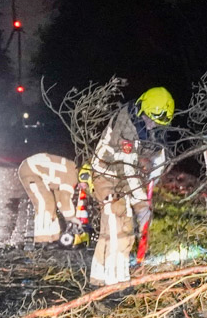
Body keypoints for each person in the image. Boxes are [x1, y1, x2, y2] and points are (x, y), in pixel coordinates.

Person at [89, 86, 174, 284]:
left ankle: (99, 279)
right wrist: (141, 203)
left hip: (125, 179)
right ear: (143, 109)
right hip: (107, 174)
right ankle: (116, 283)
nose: (152, 125)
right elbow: (126, 168)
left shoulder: (151, 128)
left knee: (114, 229)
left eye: (157, 123)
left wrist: (155, 169)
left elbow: (157, 157)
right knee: (119, 231)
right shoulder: (126, 126)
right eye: (150, 119)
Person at [16, 155, 92, 245]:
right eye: (85, 185)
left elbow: (60, 200)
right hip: (30, 171)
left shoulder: (71, 171)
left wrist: (69, 216)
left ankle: (53, 238)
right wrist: (72, 217)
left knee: (52, 205)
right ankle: (41, 240)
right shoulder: (71, 177)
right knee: (45, 204)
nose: (84, 188)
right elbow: (64, 199)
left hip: (35, 171)